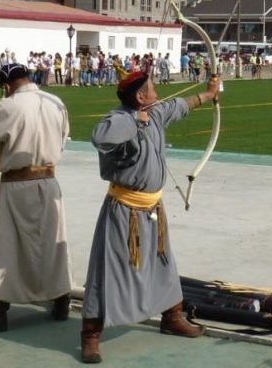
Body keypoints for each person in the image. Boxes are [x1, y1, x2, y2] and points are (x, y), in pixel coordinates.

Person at [79, 69, 219, 363]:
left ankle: (172, 317)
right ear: (141, 96)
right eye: (153, 88)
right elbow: (99, 136)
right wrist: (133, 120)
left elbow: (179, 106)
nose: (158, 92)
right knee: (108, 271)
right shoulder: (119, 118)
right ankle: (90, 335)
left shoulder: (154, 113)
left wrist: (208, 93)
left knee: (163, 265)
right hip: (124, 212)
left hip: (154, 210)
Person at [0, 63, 73, 332]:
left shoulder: (9, 105)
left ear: (6, 85)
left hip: (17, 184)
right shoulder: (55, 101)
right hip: (49, 182)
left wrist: (3, 106)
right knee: (51, 244)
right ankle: (61, 301)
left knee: (6, 247)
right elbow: (64, 138)